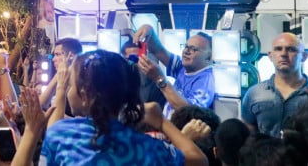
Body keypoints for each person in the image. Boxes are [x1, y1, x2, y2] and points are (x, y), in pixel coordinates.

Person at [38, 49, 207, 165]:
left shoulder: (61, 135)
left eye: (71, 85)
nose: (68, 90)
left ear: (84, 95)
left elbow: (53, 128)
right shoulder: (145, 147)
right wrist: (162, 122)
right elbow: (198, 159)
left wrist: (60, 88)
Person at [133, 25, 215, 119]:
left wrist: (159, 79)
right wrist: (149, 31)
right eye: (186, 47)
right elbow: (158, 50)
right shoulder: (183, 67)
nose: (186, 51)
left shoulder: (206, 80)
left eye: (193, 49)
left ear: (208, 57)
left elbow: (189, 113)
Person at [241, 33, 308, 137]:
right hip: (264, 153)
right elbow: (248, 136)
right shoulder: (254, 93)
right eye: (278, 49)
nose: (283, 54)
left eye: (291, 49)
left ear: (304, 56)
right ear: (270, 55)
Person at [121, 39, 166, 107]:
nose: (136, 63)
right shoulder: (119, 77)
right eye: (132, 58)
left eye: (139, 58)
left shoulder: (151, 78)